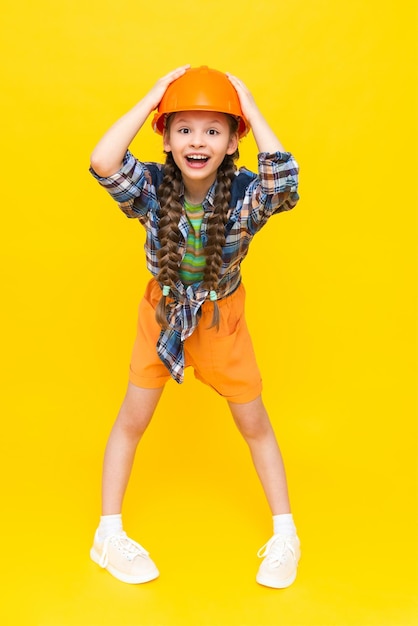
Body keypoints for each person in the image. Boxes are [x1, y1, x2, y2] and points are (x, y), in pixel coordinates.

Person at [89, 65, 300, 589]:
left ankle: (285, 534)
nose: (197, 141)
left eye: (213, 130)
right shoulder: (153, 186)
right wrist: (152, 98)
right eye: (184, 129)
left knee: (254, 425)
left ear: (232, 141)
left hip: (221, 320)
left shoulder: (247, 192)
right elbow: (103, 161)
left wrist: (247, 103)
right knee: (132, 420)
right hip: (160, 315)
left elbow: (284, 182)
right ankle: (107, 534)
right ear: (166, 137)